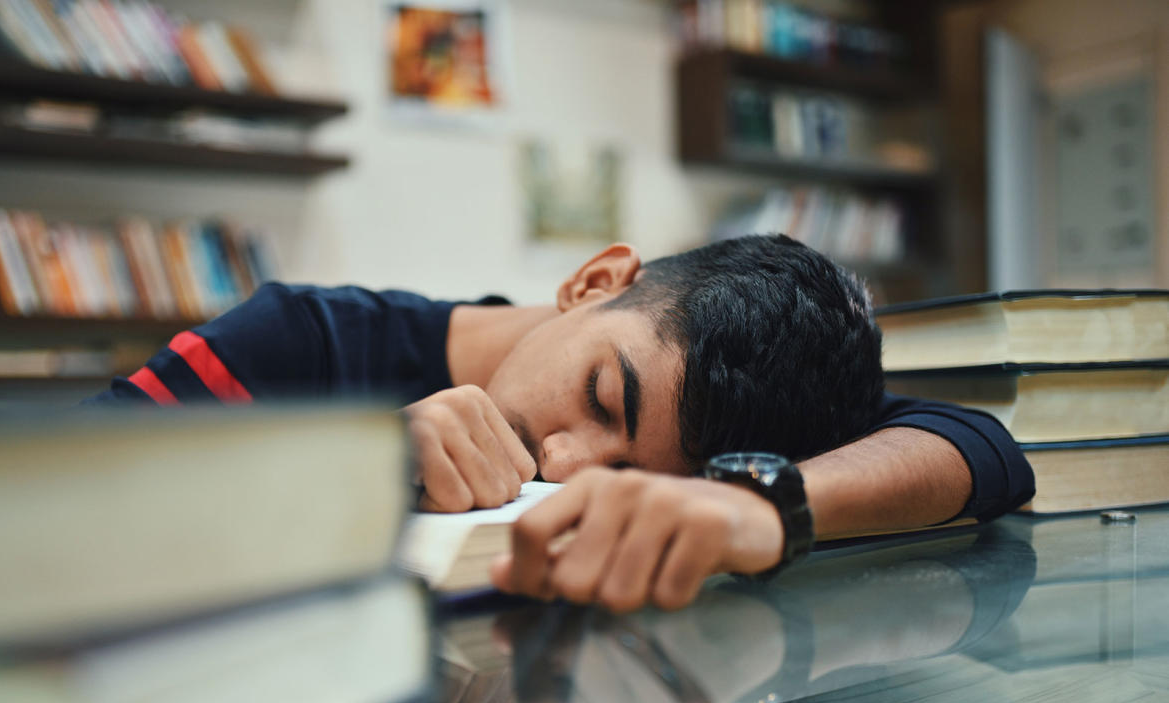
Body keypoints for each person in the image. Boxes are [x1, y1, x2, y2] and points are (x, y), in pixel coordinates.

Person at [87, 235, 1035, 611]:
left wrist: (760, 507)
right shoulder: (305, 343)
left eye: (636, 475)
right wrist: (344, 466)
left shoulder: (747, 411)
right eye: (599, 398)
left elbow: (980, 449)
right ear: (593, 283)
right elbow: (37, 503)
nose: (571, 468)